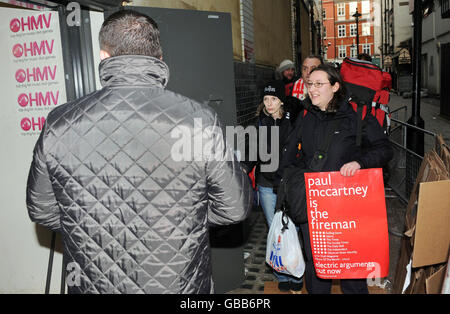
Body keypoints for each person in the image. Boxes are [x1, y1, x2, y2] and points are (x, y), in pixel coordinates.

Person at [26, 10, 252, 294]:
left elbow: (42, 209)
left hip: (94, 283)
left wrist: (89, 227)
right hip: (177, 283)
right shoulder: (199, 119)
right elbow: (234, 207)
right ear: (159, 59)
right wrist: (186, 222)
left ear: (104, 57)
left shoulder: (59, 122)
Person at [294, 64, 393, 294]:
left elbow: (384, 149)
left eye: (319, 84)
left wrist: (360, 163)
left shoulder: (357, 117)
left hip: (348, 209)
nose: (312, 89)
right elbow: (294, 155)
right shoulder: (306, 115)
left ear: (336, 86)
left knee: (350, 270)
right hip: (315, 207)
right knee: (318, 266)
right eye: (310, 84)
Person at [241, 80, 302, 292]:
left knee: (293, 227)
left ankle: (296, 271)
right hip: (267, 184)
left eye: (273, 99)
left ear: (281, 101)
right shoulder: (259, 123)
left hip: (289, 183)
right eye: (266, 99)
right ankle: (281, 274)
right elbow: (252, 152)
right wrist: (243, 168)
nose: (269, 103)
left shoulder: (292, 121)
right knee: (275, 228)